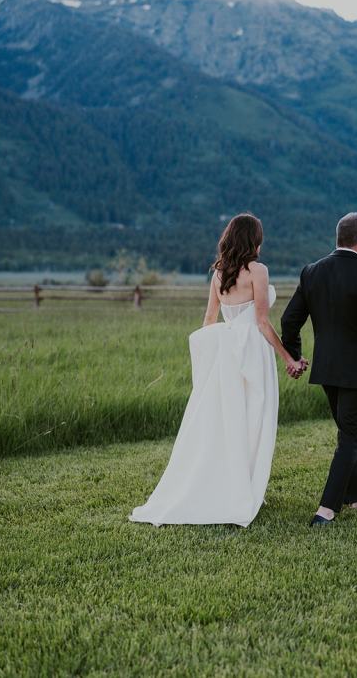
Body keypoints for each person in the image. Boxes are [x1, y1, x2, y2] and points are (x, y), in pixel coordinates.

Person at [130, 213, 302, 527]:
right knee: (254, 418)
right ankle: (243, 490)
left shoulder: (219, 273)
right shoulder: (258, 271)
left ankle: (235, 486)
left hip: (226, 353)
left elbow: (210, 320)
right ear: (254, 239)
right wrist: (288, 357)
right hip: (252, 352)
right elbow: (262, 322)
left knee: (227, 420)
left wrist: (210, 364)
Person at [281, 212, 357, 527]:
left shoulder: (311, 272)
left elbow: (290, 320)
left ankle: (353, 498)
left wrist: (296, 355)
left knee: (348, 434)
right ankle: (326, 511)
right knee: (350, 438)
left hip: (326, 370)